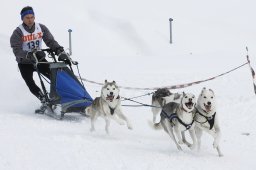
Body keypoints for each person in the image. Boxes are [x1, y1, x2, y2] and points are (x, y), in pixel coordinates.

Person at [10, 6, 70, 105]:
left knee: (54, 77)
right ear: (22, 19)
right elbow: (17, 50)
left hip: (39, 59)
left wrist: (59, 51)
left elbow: (50, 41)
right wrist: (28, 55)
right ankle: (44, 100)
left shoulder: (41, 28)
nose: (30, 20)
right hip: (24, 62)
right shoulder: (17, 32)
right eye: (27, 18)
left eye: (31, 17)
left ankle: (60, 97)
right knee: (30, 83)